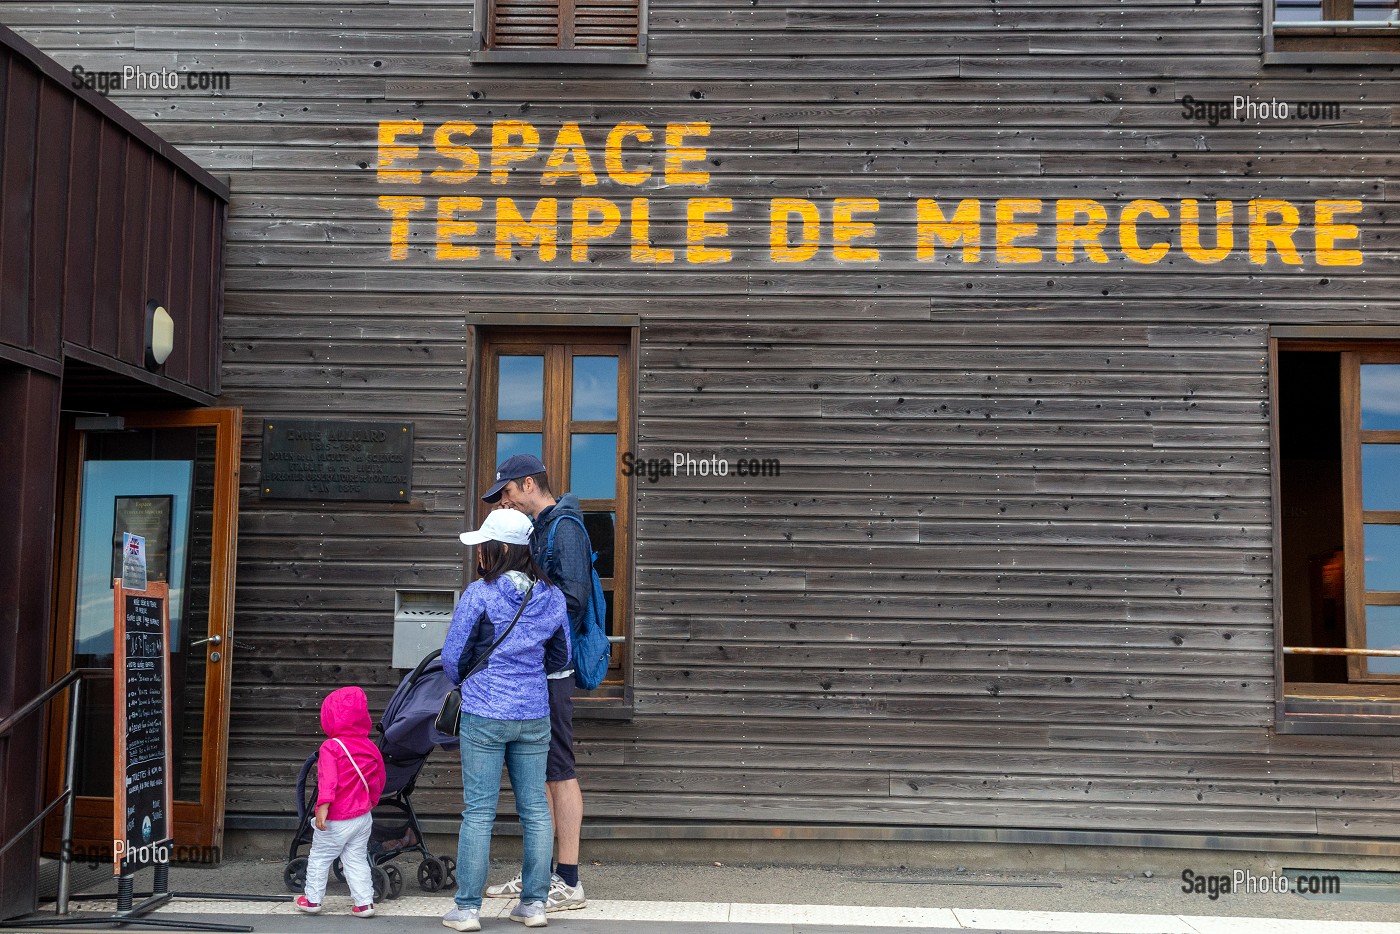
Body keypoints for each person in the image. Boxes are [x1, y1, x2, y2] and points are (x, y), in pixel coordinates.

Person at [441, 507, 572, 932]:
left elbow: (453, 659)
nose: (479, 551)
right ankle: (534, 905)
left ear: (496, 549)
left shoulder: (480, 594)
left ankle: (466, 910)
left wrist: (476, 682)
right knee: (535, 809)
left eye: (483, 545)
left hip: (485, 712)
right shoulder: (551, 596)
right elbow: (561, 657)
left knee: (479, 811)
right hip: (534, 713)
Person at [480, 454, 590, 912]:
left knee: (558, 770)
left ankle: (568, 880)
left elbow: (574, 601)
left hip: (553, 671)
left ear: (527, 484)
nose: (504, 503)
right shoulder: (542, 527)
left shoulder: (562, 529)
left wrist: (522, 632)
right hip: (537, 670)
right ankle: (538, 875)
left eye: (506, 493)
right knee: (540, 773)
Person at [295, 686, 387, 919]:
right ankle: (364, 903)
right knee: (356, 859)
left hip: (337, 817)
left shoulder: (331, 747)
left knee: (320, 857)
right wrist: (371, 802)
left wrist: (322, 808)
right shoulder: (370, 746)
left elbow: (328, 781)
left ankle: (312, 900)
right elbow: (378, 779)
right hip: (363, 817)